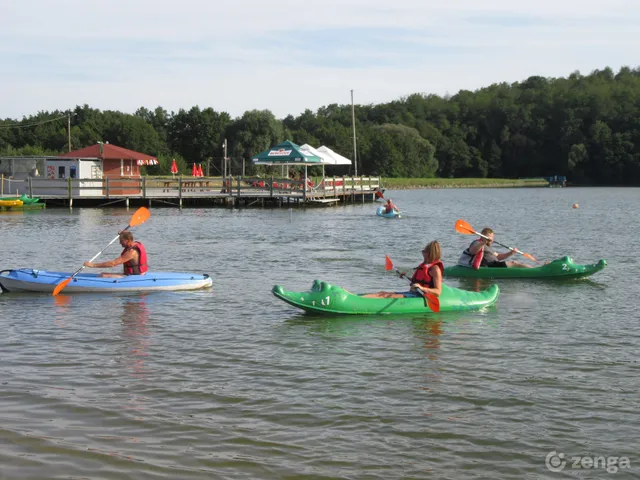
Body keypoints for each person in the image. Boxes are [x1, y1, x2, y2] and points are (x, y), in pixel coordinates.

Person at [363, 241, 443, 298]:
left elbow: (438, 292)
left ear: (430, 254)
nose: (422, 254)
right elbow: (418, 283)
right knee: (381, 293)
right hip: (412, 293)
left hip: (420, 296)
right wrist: (407, 278)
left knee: (385, 296)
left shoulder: (435, 269)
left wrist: (422, 288)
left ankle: (359, 301)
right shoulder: (424, 265)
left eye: (424, 252)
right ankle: (358, 298)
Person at [83, 231, 148, 278]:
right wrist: (123, 232)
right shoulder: (134, 243)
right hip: (135, 274)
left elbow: (113, 264)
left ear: (127, 240)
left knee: (103, 275)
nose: (120, 243)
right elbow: (129, 234)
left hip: (136, 277)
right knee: (102, 274)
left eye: (121, 241)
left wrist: (93, 265)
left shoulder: (132, 252)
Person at [458, 227, 530, 268]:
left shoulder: (488, 247)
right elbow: (472, 251)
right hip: (489, 266)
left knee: (514, 263)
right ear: (484, 236)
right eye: (490, 237)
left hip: (495, 263)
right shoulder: (478, 243)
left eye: (492, 237)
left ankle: (534, 269)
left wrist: (511, 253)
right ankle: (535, 270)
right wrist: (483, 242)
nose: (492, 239)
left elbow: (498, 256)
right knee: (513, 263)